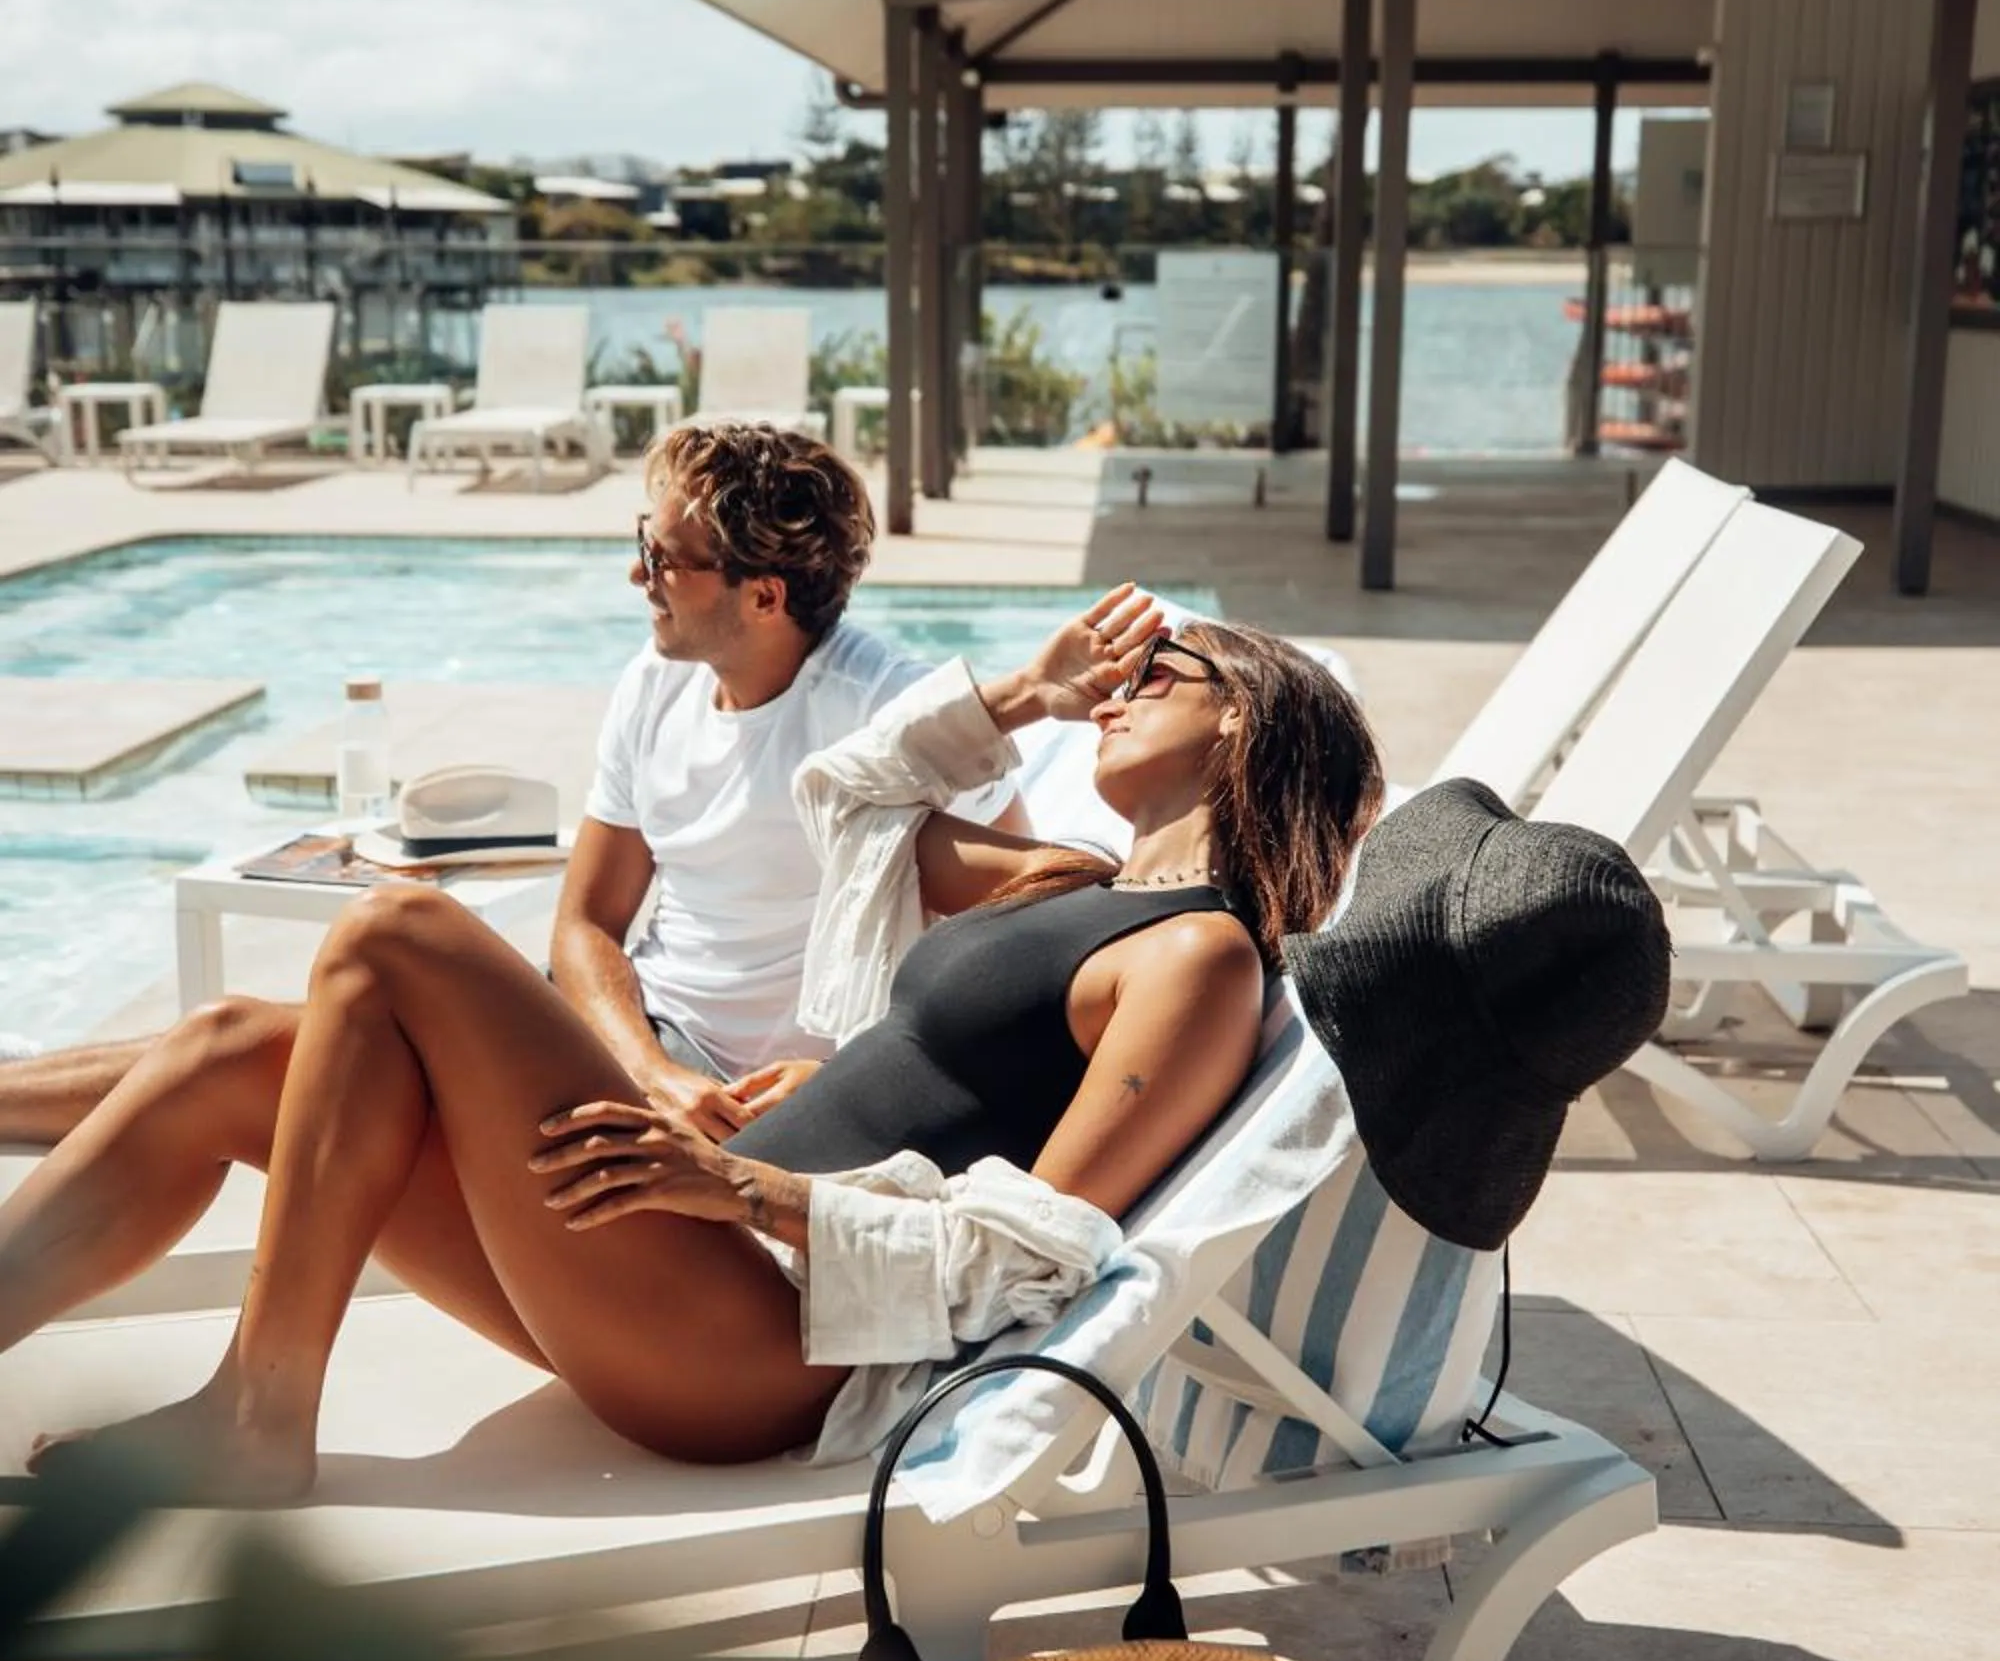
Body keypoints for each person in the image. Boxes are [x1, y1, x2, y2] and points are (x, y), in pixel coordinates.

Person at [5, 591, 1384, 1495]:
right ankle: (214, 1396)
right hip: (664, 1252)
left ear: (1247, 715)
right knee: (244, 1046)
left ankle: (259, 1419)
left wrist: (755, 1192)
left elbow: (1041, 1252)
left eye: (1160, 668)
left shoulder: (1195, 952)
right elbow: (843, 793)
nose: (1120, 683)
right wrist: (1021, 695)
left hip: (757, 1335)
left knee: (397, 932)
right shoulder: (1076, 884)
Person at [0, 416, 1020, 1192]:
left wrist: (850, 1086)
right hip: (645, 1047)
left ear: (764, 596)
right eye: (640, 542)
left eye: (663, 558)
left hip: (771, 1113)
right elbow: (586, 923)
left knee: (283, 1063)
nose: (637, 576)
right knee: (253, 1038)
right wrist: (645, 1066)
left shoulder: (894, 712)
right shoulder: (654, 683)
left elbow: (1015, 953)